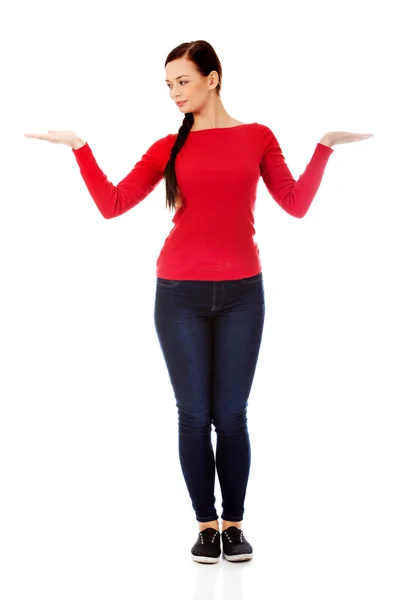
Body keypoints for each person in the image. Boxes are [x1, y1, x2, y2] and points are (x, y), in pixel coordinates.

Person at [24, 39, 373, 564]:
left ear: (213, 77)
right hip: (179, 296)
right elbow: (113, 203)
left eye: (182, 81)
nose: (174, 93)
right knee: (193, 414)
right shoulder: (169, 145)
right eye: (167, 85)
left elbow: (295, 204)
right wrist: (80, 148)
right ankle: (205, 527)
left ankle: (235, 527)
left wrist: (323, 145)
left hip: (242, 295)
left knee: (231, 415)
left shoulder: (257, 136)